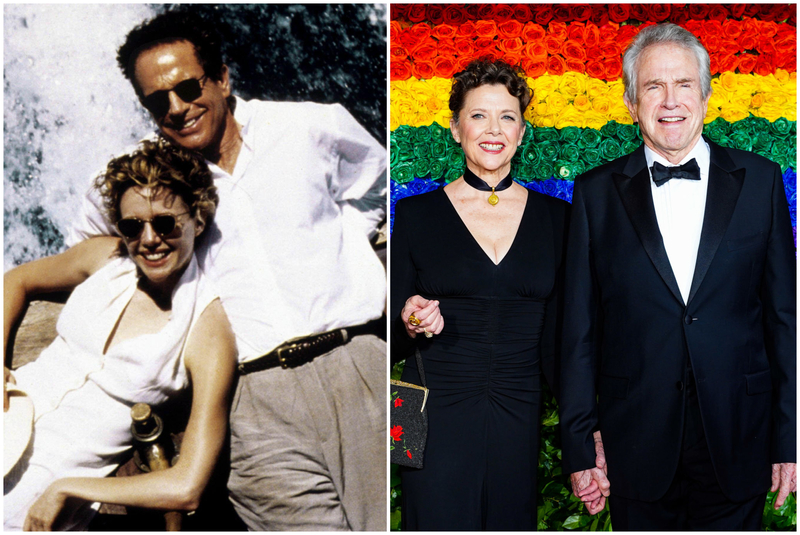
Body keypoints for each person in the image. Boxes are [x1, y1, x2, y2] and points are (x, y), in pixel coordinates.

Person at [65, 11, 387, 531]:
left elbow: (378, 179)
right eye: (156, 101)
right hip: (249, 404)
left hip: (361, 364)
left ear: (222, 78)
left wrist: (348, 239)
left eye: (188, 87)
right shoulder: (145, 181)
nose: (176, 108)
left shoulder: (309, 125)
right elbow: (85, 255)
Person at [559, 23, 796, 530]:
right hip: (634, 448)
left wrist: (789, 437)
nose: (670, 101)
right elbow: (577, 332)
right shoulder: (594, 195)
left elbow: (785, 321)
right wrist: (580, 446)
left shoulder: (761, 182)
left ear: (707, 94)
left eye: (684, 84)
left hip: (741, 441)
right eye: (653, 86)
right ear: (629, 101)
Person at [3, 139, 237, 531]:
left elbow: (187, 485)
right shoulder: (105, 257)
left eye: (165, 223)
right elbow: (16, 279)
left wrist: (69, 490)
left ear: (197, 219)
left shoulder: (206, 330)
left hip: (40, 494)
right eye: (132, 227)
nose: (147, 240)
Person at [391, 59, 569, 530]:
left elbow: (567, 341)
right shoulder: (414, 215)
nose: (494, 129)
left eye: (507, 116)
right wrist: (408, 317)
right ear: (455, 129)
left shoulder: (559, 219)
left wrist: (585, 429)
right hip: (428, 409)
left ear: (522, 131)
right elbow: (388, 334)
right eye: (478, 115)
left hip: (519, 408)